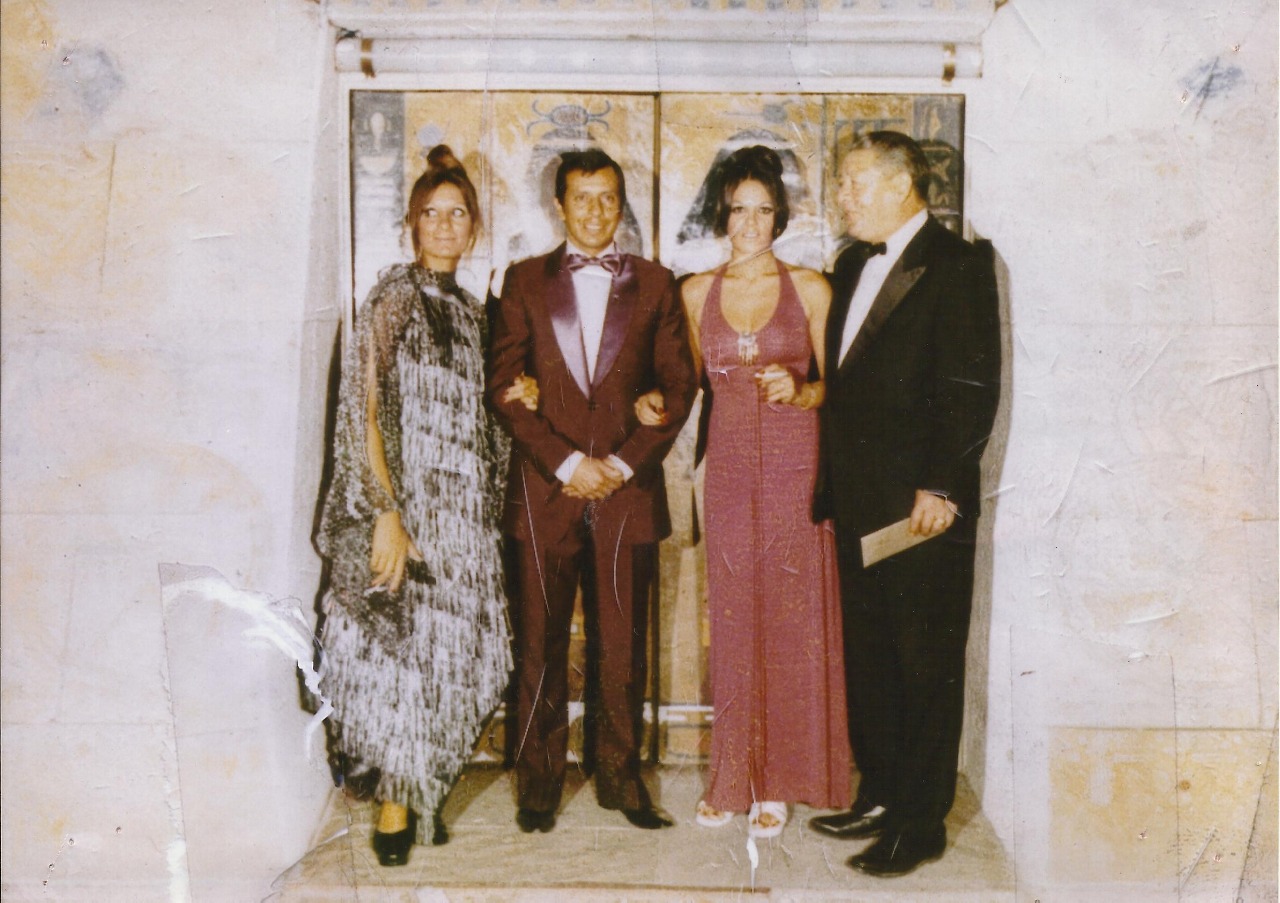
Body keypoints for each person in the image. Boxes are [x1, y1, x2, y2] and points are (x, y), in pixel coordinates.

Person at [638, 144, 851, 839]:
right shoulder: (695, 293)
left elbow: (842, 387)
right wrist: (648, 405)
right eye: (739, 210)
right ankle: (732, 775)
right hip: (728, 468)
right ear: (722, 215)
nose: (751, 223)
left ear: (779, 217)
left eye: (764, 210)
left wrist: (804, 388)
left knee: (789, 617)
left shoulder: (811, 289)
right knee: (732, 618)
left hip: (796, 463)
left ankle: (778, 781)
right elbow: (683, 388)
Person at [486, 148, 698, 834]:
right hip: (545, 494)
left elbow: (679, 386)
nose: (597, 210)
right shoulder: (522, 281)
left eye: (608, 197)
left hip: (625, 496)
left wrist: (626, 464)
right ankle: (538, 784)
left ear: (621, 203)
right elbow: (503, 388)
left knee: (622, 648)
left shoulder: (657, 283)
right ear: (560, 205)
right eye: (583, 197)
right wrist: (567, 462)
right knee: (539, 644)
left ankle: (621, 779)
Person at [808, 131, 1001, 876]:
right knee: (873, 661)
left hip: (923, 509)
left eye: (854, 182)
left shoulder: (959, 265)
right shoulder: (852, 263)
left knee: (924, 666)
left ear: (901, 184)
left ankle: (920, 825)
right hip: (859, 502)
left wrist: (943, 486)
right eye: (842, 182)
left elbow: (971, 388)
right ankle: (881, 794)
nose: (843, 196)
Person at [315, 146, 512, 867]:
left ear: (473, 227)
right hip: (407, 508)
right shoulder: (391, 299)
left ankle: (424, 786)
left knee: (456, 658)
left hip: (466, 521)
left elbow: (487, 419)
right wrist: (385, 511)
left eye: (458, 213)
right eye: (432, 213)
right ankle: (395, 802)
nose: (445, 225)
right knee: (399, 661)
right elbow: (361, 410)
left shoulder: (476, 313)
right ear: (412, 224)